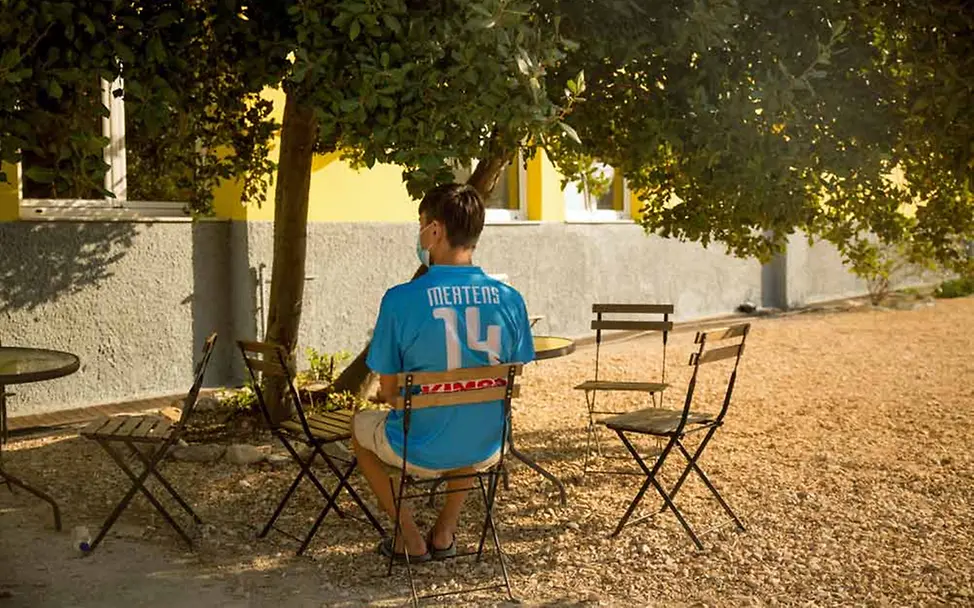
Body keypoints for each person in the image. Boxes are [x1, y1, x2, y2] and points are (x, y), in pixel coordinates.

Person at [352, 183, 535, 562]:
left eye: (421, 224)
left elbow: (389, 393)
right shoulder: (510, 298)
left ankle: (409, 537)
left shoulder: (401, 299)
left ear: (434, 231)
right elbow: (513, 376)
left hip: (416, 447)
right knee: (473, 417)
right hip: (487, 444)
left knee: (359, 430)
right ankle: (445, 531)